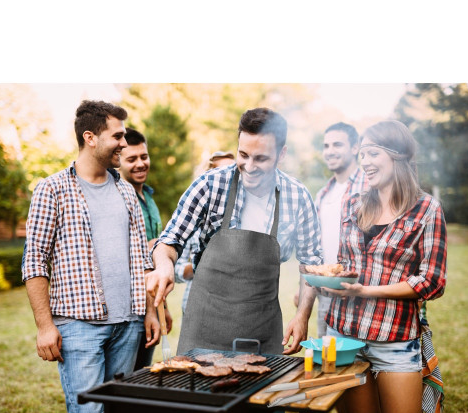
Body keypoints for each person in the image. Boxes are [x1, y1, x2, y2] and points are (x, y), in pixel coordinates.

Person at [22, 100, 160, 413]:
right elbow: (35, 260)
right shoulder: (51, 189)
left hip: (128, 325)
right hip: (78, 326)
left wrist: (149, 312)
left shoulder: (126, 191)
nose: (124, 144)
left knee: (118, 411)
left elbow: (143, 259)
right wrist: (45, 326)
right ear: (90, 137)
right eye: (117, 136)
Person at [147, 108, 323, 355]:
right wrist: (164, 265)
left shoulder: (298, 196)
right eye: (243, 155)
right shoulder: (209, 184)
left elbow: (311, 264)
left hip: (262, 331)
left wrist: (302, 316)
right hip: (204, 328)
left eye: (260, 158)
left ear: (281, 154)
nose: (249, 166)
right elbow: (169, 242)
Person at [321, 120, 447, 413]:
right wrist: (333, 278)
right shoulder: (352, 203)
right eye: (362, 154)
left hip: (394, 339)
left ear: (397, 155)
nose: (364, 162)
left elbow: (432, 282)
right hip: (343, 334)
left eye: (372, 153)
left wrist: (367, 291)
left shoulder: (427, 209)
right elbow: (346, 264)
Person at [294, 122, 369, 337]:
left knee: (358, 362)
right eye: (326, 146)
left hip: (357, 291)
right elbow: (313, 248)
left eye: (337, 144)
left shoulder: (369, 186)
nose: (330, 151)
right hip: (325, 291)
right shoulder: (323, 194)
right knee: (328, 357)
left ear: (355, 148)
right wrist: (305, 286)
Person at [118, 127, 172, 370]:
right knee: (123, 377)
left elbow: (156, 261)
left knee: (142, 373)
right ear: (118, 160)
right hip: (128, 307)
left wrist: (163, 309)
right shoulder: (118, 197)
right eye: (131, 159)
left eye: (144, 156)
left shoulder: (149, 198)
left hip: (152, 303)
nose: (140, 164)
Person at [174, 150, 235, 314]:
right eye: (220, 172)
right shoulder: (193, 220)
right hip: (196, 308)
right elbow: (176, 269)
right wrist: (201, 266)